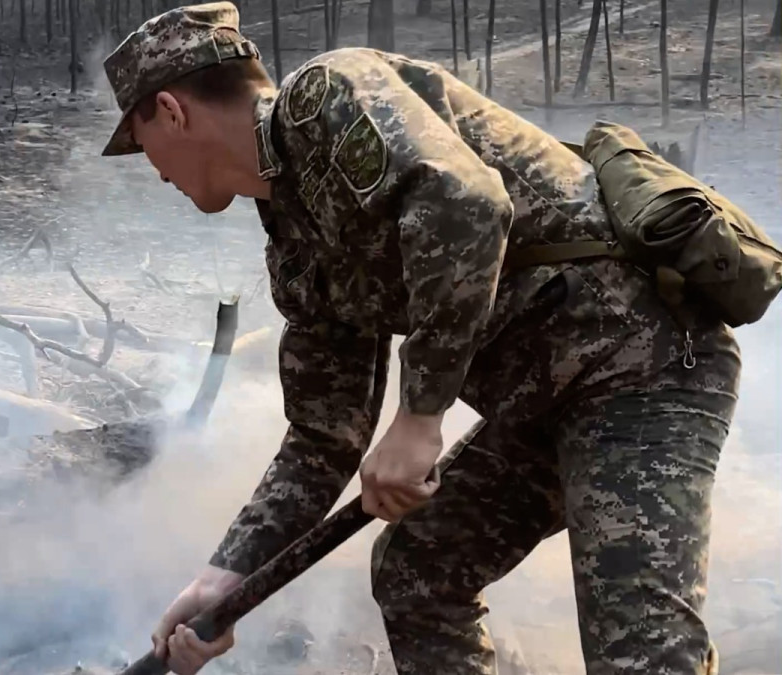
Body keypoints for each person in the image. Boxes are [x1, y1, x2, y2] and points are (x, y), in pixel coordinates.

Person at [98, 3, 741, 674]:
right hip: (542, 406)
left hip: (643, 365)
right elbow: (324, 437)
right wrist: (224, 577)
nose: (154, 170)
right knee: (418, 570)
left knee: (640, 647)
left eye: (142, 144)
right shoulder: (296, 249)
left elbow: (465, 203)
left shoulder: (327, 96)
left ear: (171, 112)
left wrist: (420, 414)